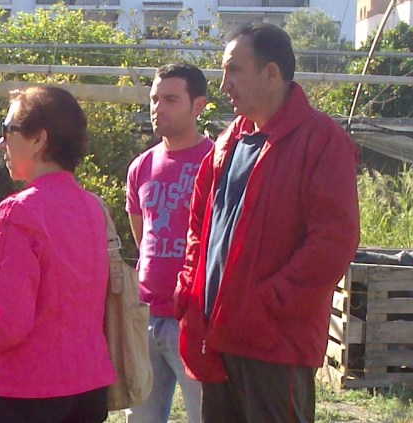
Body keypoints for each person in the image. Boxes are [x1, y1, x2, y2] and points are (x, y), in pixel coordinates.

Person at [174, 23, 360, 422]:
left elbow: (333, 243)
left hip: (275, 345)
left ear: (271, 73)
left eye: (234, 71)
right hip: (217, 340)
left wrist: (268, 302)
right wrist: (190, 293)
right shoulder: (227, 143)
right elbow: (198, 229)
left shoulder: (321, 141)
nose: (224, 86)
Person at [0, 86, 115, 423]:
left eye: (7, 130)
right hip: (86, 386)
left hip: (26, 394)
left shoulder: (19, 211)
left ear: (39, 140)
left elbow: (6, 326)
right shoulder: (92, 208)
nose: (1, 143)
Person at [125, 63, 209, 423]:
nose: (159, 107)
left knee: (206, 415)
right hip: (145, 316)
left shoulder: (217, 161)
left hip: (196, 319)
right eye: (155, 99)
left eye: (171, 99)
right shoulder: (141, 166)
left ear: (199, 106)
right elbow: (141, 236)